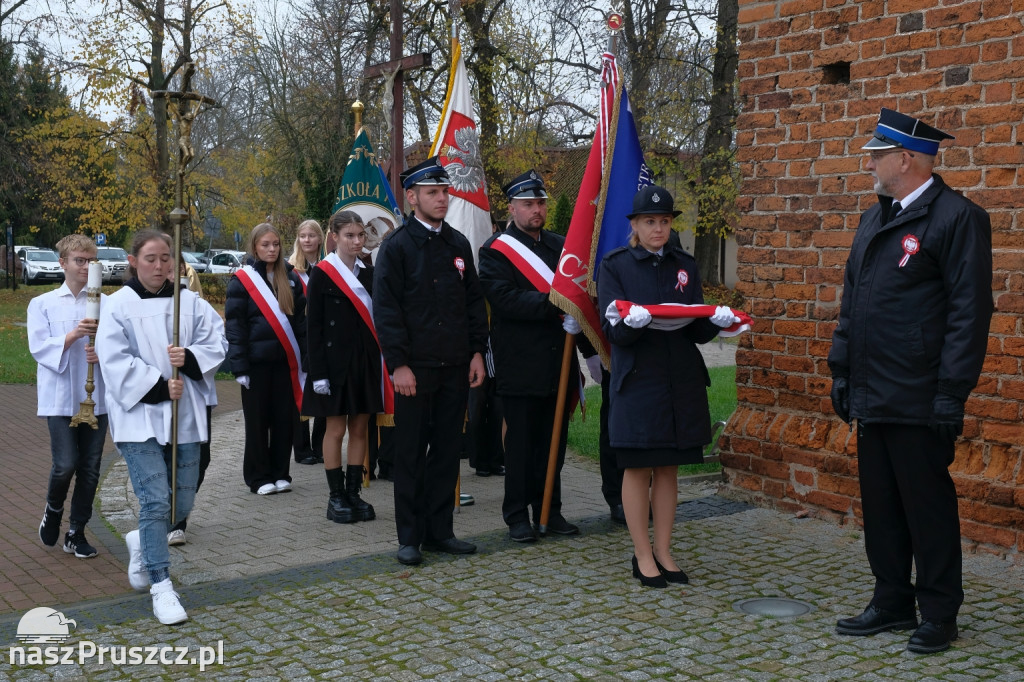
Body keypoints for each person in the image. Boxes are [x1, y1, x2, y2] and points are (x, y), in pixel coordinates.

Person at [829, 108, 993, 654]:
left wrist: (951, 393)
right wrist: (842, 370)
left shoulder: (956, 218)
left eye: (879, 154)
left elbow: (970, 315)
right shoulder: (874, 218)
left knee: (927, 509)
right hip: (874, 393)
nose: (871, 163)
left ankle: (940, 612)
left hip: (921, 397)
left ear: (908, 159)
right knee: (881, 506)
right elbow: (854, 302)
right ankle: (892, 600)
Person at [598, 185, 738, 588]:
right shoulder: (615, 266)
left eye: (664, 221)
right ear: (635, 226)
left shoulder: (685, 265)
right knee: (638, 466)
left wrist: (717, 321)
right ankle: (641, 553)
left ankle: (663, 549)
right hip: (639, 379)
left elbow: (695, 330)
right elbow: (614, 333)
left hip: (679, 380)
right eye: (649, 222)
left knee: (668, 467)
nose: (658, 229)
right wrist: (628, 323)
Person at [96, 230, 226, 624]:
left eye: (166, 258)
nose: (160, 265)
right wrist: (156, 385)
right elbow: (113, 358)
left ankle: (143, 540)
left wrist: (188, 358)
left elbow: (217, 341)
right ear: (134, 260)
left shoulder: (191, 303)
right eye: (151, 258)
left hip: (184, 414)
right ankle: (161, 584)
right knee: (154, 500)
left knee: (178, 505)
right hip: (139, 417)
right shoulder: (117, 306)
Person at [373, 156, 489, 566]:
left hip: (455, 365)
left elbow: (473, 303)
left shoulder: (457, 243)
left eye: (444, 192)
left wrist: (477, 352)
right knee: (409, 453)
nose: (442, 199)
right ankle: (410, 537)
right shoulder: (397, 247)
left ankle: (441, 531)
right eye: (433, 193)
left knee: (445, 452)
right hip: (414, 371)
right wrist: (398, 364)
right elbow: (386, 311)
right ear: (412, 197)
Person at [479, 170, 591, 543]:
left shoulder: (562, 246)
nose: (536, 210)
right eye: (528, 204)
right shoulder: (494, 251)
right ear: (512, 207)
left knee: (553, 443)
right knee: (522, 445)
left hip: (558, 360)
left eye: (540, 203)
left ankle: (550, 510)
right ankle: (517, 516)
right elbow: (506, 300)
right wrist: (555, 304)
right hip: (519, 362)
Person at [29, 234, 108, 558]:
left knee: (90, 467)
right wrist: (74, 335)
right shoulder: (43, 303)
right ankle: (53, 508)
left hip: (96, 398)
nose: (86, 267)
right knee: (65, 464)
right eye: (80, 260)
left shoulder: (107, 302)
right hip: (61, 397)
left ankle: (76, 532)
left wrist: (101, 352)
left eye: (91, 261)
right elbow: (38, 346)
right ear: (63, 263)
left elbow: (121, 345)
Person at [302, 210, 382, 524]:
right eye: (349, 236)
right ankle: (335, 497)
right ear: (334, 236)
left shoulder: (368, 273)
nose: (356, 241)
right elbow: (315, 327)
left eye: (360, 235)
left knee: (360, 428)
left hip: (364, 361)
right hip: (333, 367)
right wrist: (318, 373)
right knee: (335, 430)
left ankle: (353, 492)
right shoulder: (322, 273)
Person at [226, 223, 307, 495]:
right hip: (256, 364)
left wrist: (305, 358)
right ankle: (259, 477)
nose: (271, 249)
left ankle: (280, 472)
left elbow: (300, 324)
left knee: (284, 420)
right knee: (258, 421)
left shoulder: (290, 277)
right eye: (265, 245)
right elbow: (235, 326)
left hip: (285, 362)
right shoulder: (242, 280)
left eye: (275, 244)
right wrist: (240, 366)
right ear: (254, 247)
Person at [288, 219, 326, 466]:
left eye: (312, 235)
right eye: (303, 236)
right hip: (299, 337)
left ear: (320, 238)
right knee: (300, 391)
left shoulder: (329, 266)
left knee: (323, 391)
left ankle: (321, 446)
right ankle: (301, 450)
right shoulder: (289, 270)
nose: (307, 240)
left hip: (322, 337)